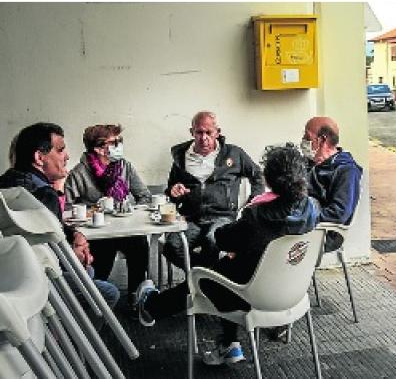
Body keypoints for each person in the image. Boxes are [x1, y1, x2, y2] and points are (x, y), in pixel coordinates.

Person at [137, 144, 320, 366]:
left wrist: (249, 216)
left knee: (200, 278)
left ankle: (151, 306)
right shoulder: (311, 209)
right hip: (292, 292)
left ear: (270, 181)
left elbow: (222, 238)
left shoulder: (258, 216)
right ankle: (229, 344)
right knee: (228, 265)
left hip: (247, 295)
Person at [0, 123, 122, 309]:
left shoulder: (4, 182)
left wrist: (74, 235)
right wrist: (75, 254)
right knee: (109, 293)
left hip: (4, 275)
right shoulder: (43, 194)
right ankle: (75, 337)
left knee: (90, 271)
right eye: (61, 150)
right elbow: (49, 257)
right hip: (35, 282)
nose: (67, 156)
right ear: (39, 157)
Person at [163, 111, 264, 270]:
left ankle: (203, 280)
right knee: (171, 247)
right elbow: (170, 190)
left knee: (213, 242)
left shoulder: (234, 153)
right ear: (192, 132)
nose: (203, 138)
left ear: (217, 132)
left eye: (208, 132)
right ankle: (203, 274)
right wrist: (173, 191)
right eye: (199, 132)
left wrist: (254, 202)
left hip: (222, 217)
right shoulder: (181, 157)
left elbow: (258, 175)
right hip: (191, 218)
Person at [65, 124, 152, 303]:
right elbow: (66, 208)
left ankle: (138, 298)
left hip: (124, 227)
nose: (119, 145)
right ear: (98, 148)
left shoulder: (125, 167)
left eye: (120, 141)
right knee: (104, 250)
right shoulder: (79, 173)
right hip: (96, 232)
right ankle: (97, 299)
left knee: (140, 242)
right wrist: (90, 213)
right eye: (114, 142)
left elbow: (144, 196)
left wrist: (131, 212)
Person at [301, 116, 362, 251]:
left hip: (325, 233)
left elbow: (339, 213)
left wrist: (301, 219)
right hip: (304, 222)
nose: (303, 141)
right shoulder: (310, 164)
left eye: (307, 137)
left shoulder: (346, 170)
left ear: (322, 140)